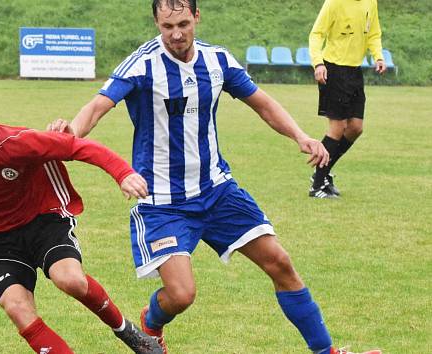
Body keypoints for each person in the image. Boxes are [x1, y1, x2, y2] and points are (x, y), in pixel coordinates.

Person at [48, 1, 381, 353]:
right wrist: (70, 133)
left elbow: (261, 102)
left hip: (217, 190)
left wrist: (301, 136)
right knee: (181, 294)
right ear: (157, 24)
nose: (176, 34)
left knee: (280, 263)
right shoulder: (142, 64)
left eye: (183, 23)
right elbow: (98, 106)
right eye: (167, 26)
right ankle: (152, 321)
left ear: (196, 17)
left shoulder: (217, 60)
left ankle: (326, 351)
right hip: (164, 203)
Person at [0, 87, 163, 354]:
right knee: (16, 306)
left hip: (43, 222)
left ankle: (125, 331)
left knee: (70, 280)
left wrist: (123, 174)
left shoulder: (16, 143)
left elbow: (77, 147)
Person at [308, 0, 385, 198]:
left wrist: (378, 56)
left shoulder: (371, 2)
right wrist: (318, 63)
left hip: (354, 71)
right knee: (337, 127)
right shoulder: (334, 2)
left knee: (355, 128)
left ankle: (322, 172)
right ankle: (317, 186)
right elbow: (316, 34)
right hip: (333, 69)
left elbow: (374, 33)